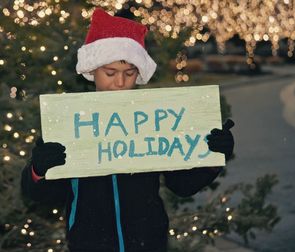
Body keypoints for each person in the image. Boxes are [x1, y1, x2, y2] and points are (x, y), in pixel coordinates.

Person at [21, 8, 234, 252]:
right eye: (110, 73)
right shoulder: (69, 121)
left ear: (139, 74)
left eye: (129, 73)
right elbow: (39, 194)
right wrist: (39, 170)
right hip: (89, 244)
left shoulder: (154, 120)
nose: (120, 83)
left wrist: (213, 156)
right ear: (92, 71)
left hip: (148, 242)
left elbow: (181, 184)